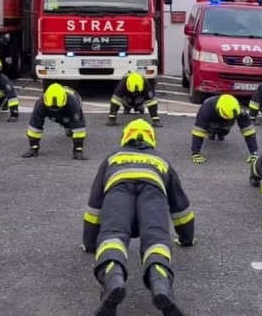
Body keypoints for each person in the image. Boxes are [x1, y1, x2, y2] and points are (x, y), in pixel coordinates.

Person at [82, 119, 194, 316]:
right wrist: (186, 238)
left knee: (113, 237)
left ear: (125, 136)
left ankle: (113, 280)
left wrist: (90, 242)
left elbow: (95, 207)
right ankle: (160, 285)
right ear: (152, 139)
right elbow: (181, 208)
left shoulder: (113, 157)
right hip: (153, 193)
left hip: (118, 192)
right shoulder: (161, 160)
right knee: (156, 240)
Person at [21, 83, 87, 160]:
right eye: (52, 108)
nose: (55, 111)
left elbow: (79, 127)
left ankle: (68, 128)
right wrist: (33, 147)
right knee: (55, 119)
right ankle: (67, 126)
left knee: (69, 122)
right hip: (57, 109)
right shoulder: (40, 103)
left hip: (71, 102)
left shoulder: (73, 103)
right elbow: (34, 126)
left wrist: (78, 149)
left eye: (57, 109)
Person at [191, 94, 258, 164]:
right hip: (213, 117)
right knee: (213, 126)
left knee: (224, 130)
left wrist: (254, 153)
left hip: (224, 115)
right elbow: (198, 131)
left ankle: (221, 132)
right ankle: (211, 131)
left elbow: (248, 131)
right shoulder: (206, 109)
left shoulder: (239, 110)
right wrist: (195, 153)